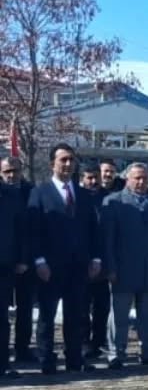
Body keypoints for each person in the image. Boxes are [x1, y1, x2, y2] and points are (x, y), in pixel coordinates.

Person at [28, 143, 103, 375]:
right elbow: (33, 230)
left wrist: (96, 258)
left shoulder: (83, 194)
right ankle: (47, 360)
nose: (68, 164)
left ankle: (74, 359)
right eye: (63, 160)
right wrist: (39, 261)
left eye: (71, 159)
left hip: (78, 265)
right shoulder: (40, 193)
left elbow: (93, 229)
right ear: (53, 163)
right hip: (50, 266)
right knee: (47, 316)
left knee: (76, 314)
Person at [102, 163, 148, 369]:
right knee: (120, 315)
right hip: (123, 270)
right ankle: (116, 353)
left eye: (144, 178)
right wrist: (110, 267)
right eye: (137, 178)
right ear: (127, 179)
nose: (141, 182)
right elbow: (107, 239)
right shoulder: (114, 202)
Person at [0, 157, 36, 362]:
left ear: (21, 171)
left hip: (24, 260)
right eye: (7, 172)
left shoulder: (32, 191)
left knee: (25, 307)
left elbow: (27, 231)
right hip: (3, 262)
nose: (11, 175)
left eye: (15, 171)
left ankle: (23, 348)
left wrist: (24, 259)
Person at [78, 163, 112, 361]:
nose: (93, 182)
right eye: (89, 178)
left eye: (95, 178)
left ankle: (99, 341)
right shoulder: (77, 198)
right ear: (82, 179)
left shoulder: (108, 199)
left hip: (103, 260)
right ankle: (83, 342)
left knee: (102, 306)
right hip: (81, 259)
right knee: (82, 306)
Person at [0, 171, 27, 377]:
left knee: (2, 317)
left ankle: (2, 364)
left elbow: (21, 230)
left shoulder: (10, 195)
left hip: (4, 264)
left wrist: (22, 259)